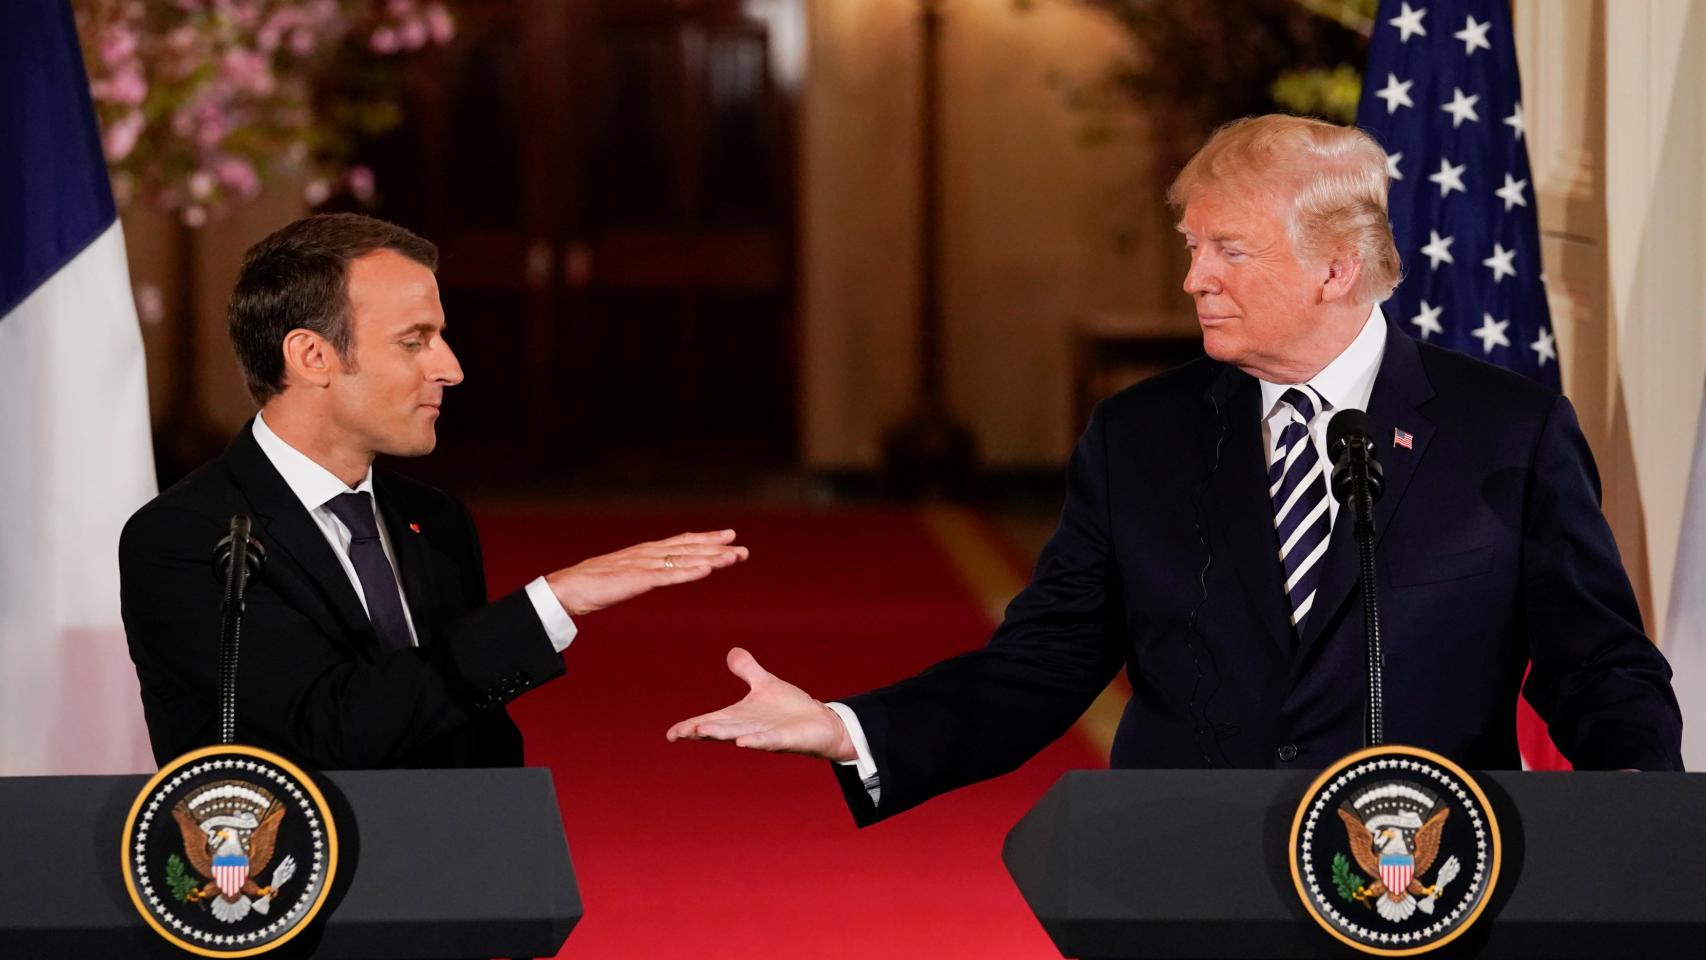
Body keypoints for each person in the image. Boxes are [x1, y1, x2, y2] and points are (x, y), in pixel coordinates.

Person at [668, 115, 1684, 826]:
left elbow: (1592, 659)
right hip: (1186, 871)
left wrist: (1639, 798)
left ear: (1334, 268)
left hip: (1412, 880)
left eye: (1226, 251)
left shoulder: (1503, 431)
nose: (1193, 278)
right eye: (1191, 246)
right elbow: (1045, 662)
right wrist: (848, 729)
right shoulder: (1138, 435)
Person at [122, 213, 748, 770]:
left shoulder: (434, 520)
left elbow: (474, 737)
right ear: (312, 356)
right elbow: (324, 735)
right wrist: (550, 605)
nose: (450, 368)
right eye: (414, 341)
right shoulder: (188, 537)